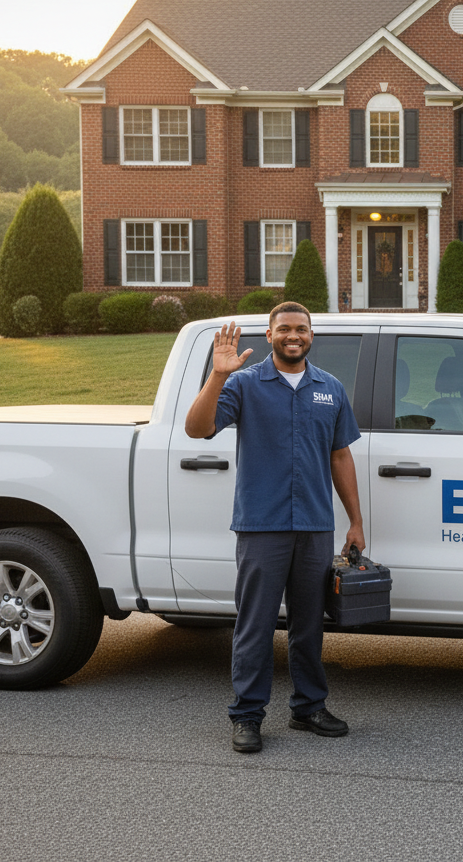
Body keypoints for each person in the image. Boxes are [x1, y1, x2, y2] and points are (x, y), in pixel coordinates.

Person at [184, 302, 365, 753]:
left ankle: (308, 707)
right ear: (268, 336)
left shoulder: (330, 389)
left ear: (310, 335)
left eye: (301, 329)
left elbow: (340, 456)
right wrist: (218, 374)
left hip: (315, 526)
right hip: (262, 526)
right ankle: (247, 715)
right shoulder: (244, 385)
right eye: (283, 328)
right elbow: (195, 428)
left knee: (309, 625)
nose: (293, 336)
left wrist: (356, 521)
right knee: (256, 624)